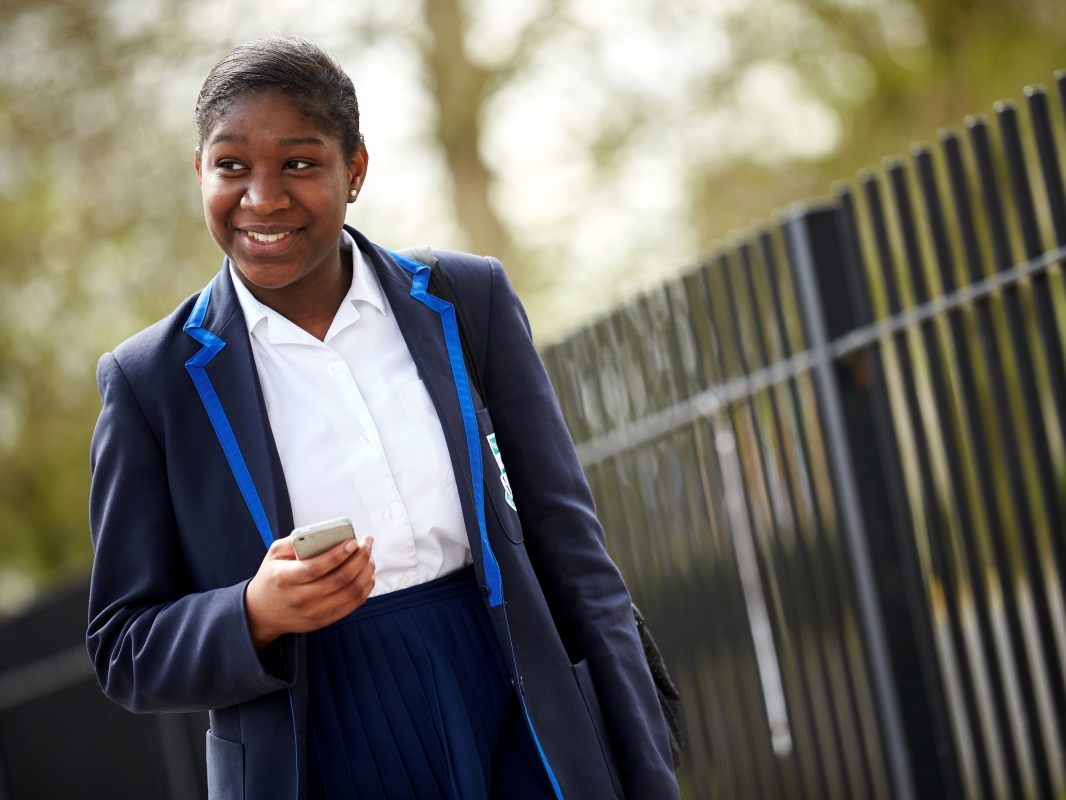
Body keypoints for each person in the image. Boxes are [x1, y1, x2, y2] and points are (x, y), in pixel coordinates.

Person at [86, 36, 679, 800]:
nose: (262, 197)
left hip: (513, 698)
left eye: (299, 163)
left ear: (355, 170)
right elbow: (121, 647)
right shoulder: (150, 381)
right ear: (200, 172)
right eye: (232, 165)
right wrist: (253, 611)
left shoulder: (467, 301)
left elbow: (576, 556)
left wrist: (646, 770)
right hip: (319, 739)